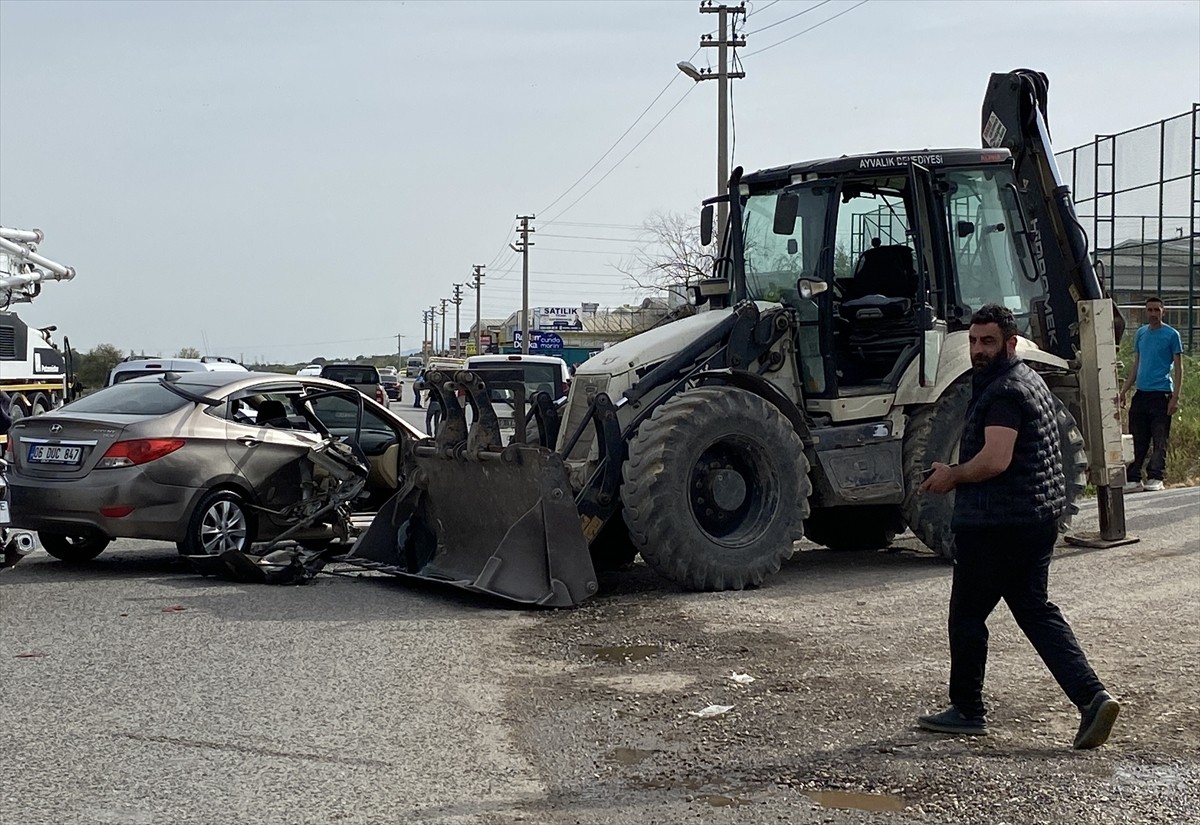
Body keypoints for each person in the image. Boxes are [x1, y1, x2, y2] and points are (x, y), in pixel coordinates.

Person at [917, 304, 1119, 750]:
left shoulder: (1005, 392)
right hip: (1033, 517)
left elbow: (996, 459)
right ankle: (1093, 698)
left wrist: (952, 475)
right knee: (1035, 611)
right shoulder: (1026, 379)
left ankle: (967, 710)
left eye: (988, 342)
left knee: (967, 616)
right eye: (973, 341)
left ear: (1010, 343)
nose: (978, 350)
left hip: (998, 524)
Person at [1119, 296, 1184, 492]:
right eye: (1150, 310)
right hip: (1142, 393)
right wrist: (1124, 390)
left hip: (1161, 393)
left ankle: (1156, 476)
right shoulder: (1141, 334)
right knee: (1137, 438)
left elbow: (1179, 368)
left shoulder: (1172, 335)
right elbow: (1137, 365)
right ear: (1145, 312)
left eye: (1157, 310)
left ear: (1163, 311)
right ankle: (1133, 476)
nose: (1153, 313)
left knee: (1159, 438)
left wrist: (1175, 398)